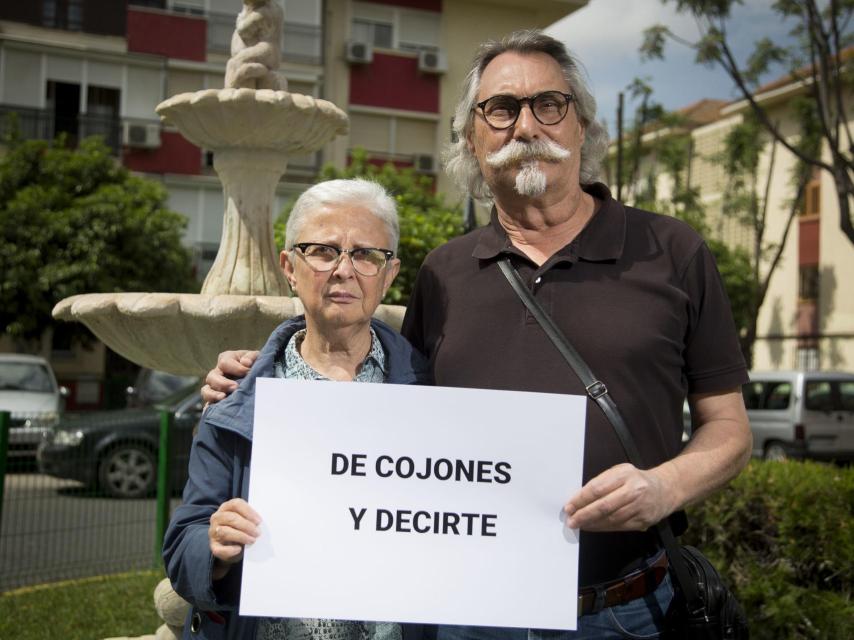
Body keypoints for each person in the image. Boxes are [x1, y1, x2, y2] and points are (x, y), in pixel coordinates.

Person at [202, 30, 752, 639]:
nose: (526, 126)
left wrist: (663, 485)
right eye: (501, 109)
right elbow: (381, 404)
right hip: (469, 614)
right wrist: (260, 377)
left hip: (625, 612)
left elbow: (729, 430)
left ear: (581, 127)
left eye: (549, 104)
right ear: (472, 137)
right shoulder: (445, 270)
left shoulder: (672, 251)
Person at [163, 179, 430, 640]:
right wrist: (213, 549)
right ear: (289, 267)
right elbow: (183, 544)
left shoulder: (434, 399)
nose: (344, 270)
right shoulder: (238, 398)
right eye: (323, 251)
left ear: (389, 275)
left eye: (367, 255)